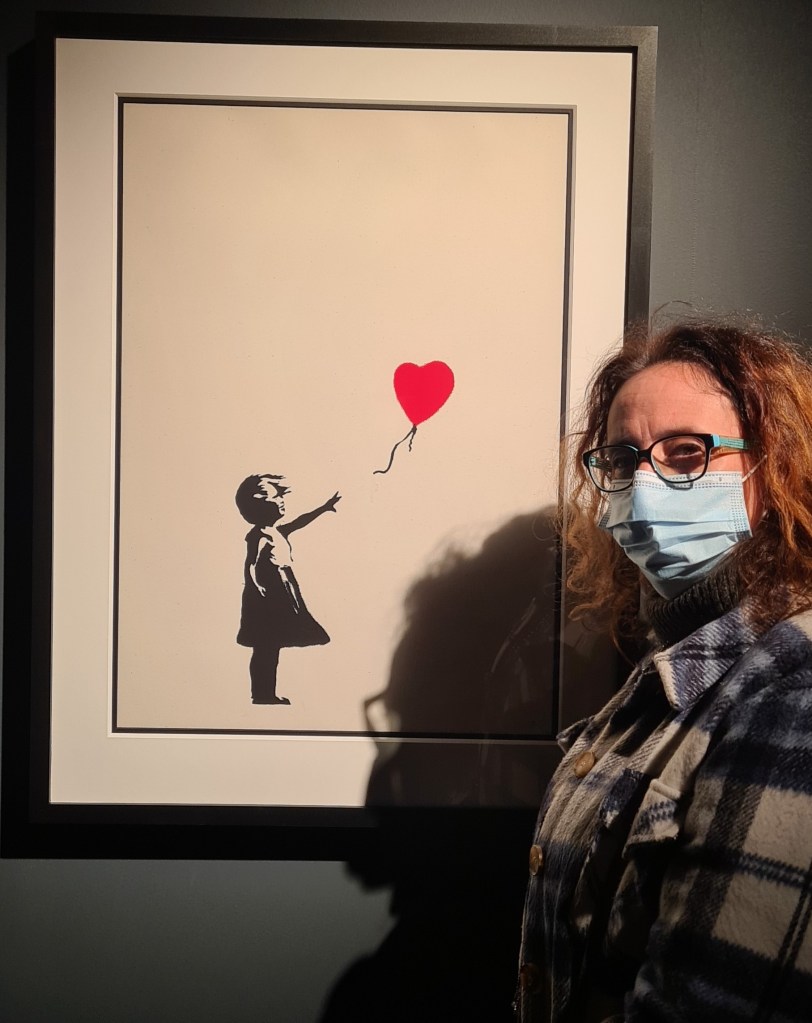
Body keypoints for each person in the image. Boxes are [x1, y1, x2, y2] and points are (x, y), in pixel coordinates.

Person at [517, 316, 812, 1022]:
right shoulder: (673, 663)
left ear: (775, 468)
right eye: (622, 460)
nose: (644, 486)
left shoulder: (792, 690)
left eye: (686, 454)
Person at [235, 473, 340, 705]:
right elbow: (251, 564)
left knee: (271, 646)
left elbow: (300, 521)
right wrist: (256, 585)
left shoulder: (278, 531)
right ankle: (262, 694)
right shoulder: (259, 535)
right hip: (268, 595)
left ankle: (265, 693)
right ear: (259, 504)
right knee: (266, 647)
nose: (282, 501)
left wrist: (324, 508)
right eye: (277, 497)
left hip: (284, 589)